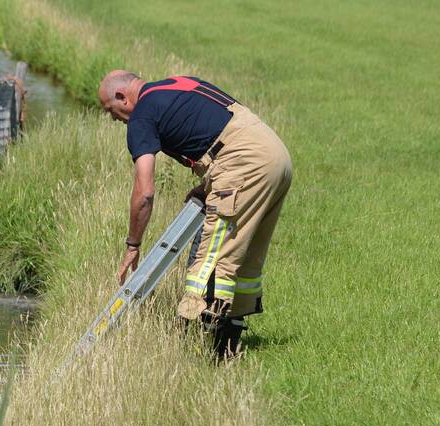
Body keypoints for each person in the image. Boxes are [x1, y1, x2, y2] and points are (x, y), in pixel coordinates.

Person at [97, 70, 293, 358]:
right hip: (275, 156)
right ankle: (227, 349)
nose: (113, 119)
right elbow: (218, 132)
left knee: (211, 261)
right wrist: (208, 185)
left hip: (243, 163)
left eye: (110, 111)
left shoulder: (142, 116)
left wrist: (133, 245)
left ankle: (194, 349)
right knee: (243, 256)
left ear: (121, 97)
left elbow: (145, 192)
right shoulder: (178, 84)